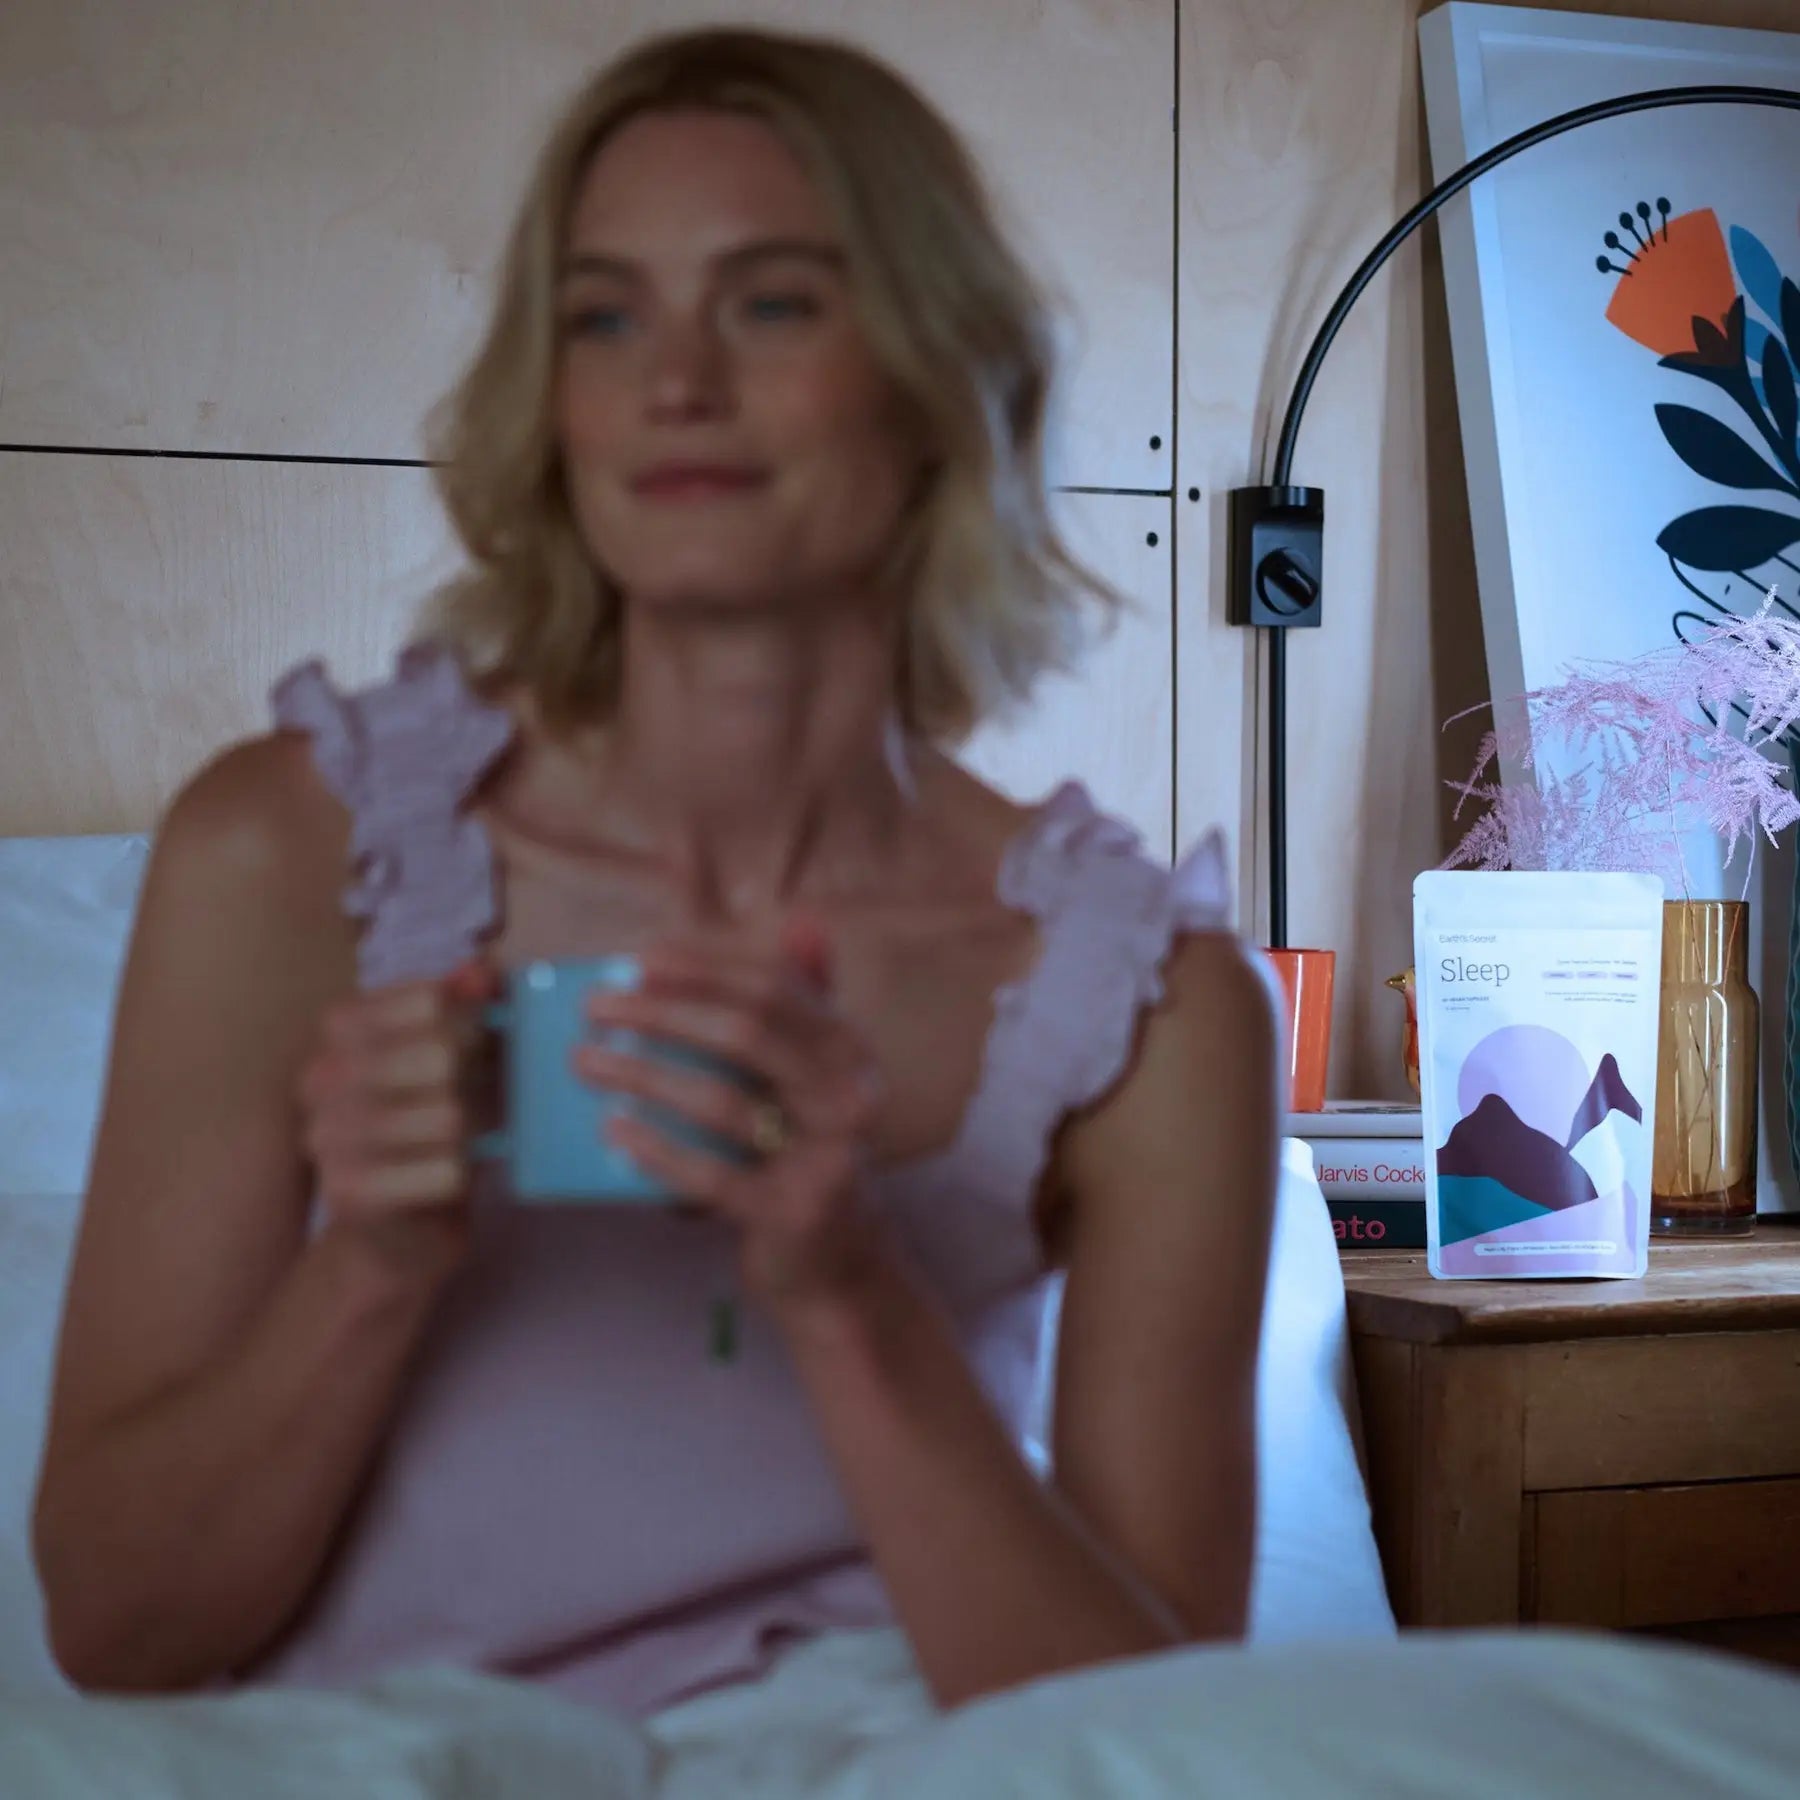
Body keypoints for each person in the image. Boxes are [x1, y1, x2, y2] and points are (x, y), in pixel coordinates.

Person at [32, 27, 1280, 1722]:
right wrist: (374, 1263)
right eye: (604, 316)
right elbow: (114, 1630)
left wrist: (846, 1289)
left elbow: (1163, 1739)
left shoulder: (1152, 1001)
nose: (671, 383)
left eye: (769, 304)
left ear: (936, 378)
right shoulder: (284, 858)